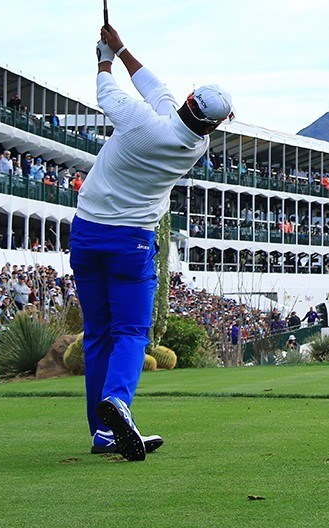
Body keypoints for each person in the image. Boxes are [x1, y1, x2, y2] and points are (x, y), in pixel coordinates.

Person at [71, 24, 233, 462]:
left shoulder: (143, 124)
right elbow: (156, 91)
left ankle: (103, 433)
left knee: (98, 336)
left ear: (188, 102)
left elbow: (107, 93)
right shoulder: (194, 143)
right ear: (214, 124)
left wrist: (104, 58)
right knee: (131, 332)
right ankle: (118, 402)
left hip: (87, 232)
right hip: (132, 242)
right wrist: (121, 50)